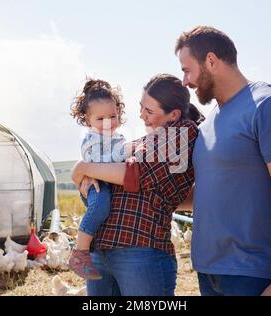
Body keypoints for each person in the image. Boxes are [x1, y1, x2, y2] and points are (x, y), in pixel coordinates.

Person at [175, 26, 271, 296]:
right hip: (209, 273)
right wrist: (136, 192)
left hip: (252, 276)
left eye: (187, 69)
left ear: (211, 61)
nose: (184, 81)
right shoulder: (209, 122)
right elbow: (207, 192)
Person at [71, 74, 204, 296]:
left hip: (139, 250)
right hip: (101, 251)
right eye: (141, 108)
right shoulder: (139, 142)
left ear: (174, 115)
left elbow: (136, 175)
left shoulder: (183, 133)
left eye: (149, 111)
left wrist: (83, 168)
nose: (141, 116)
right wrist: (85, 176)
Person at [68, 78, 130, 280]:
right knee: (101, 206)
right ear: (88, 120)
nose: (108, 123)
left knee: (105, 209)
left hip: (101, 181)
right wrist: (123, 156)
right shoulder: (90, 139)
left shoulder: (117, 137)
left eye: (112, 116)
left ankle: (94, 249)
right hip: (96, 186)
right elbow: (97, 162)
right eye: (100, 119)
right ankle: (80, 252)